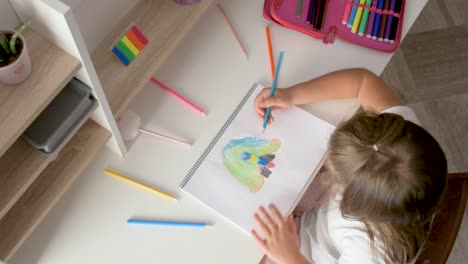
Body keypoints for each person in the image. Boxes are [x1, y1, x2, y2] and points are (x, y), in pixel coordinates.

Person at [251, 68, 448, 264]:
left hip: (305, 254)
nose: (329, 172)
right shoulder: (403, 139)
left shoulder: (371, 252)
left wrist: (290, 257)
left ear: (355, 202)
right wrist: (292, 95)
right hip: (317, 219)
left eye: (336, 175)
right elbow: (364, 82)